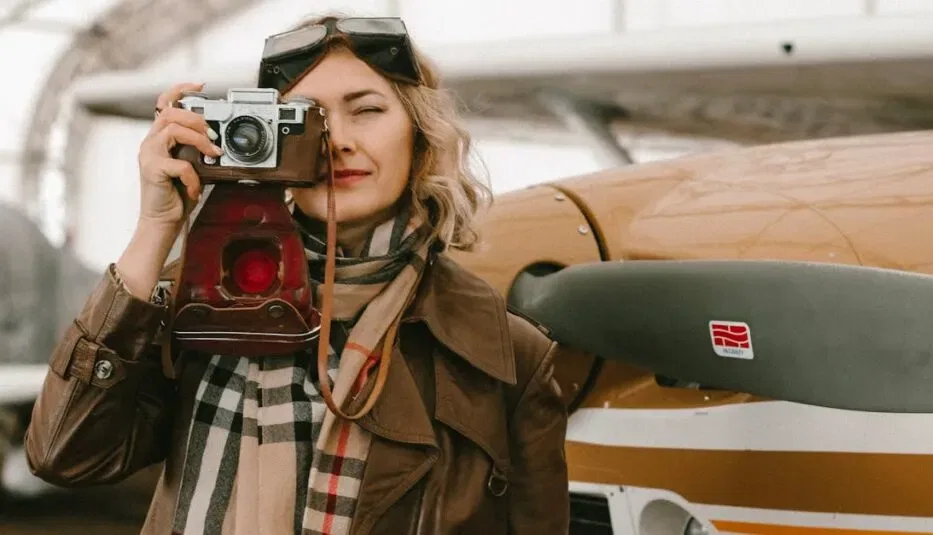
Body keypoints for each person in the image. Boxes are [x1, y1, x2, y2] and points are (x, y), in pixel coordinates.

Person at [24, 12, 569, 535]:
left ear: (420, 136)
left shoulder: (507, 355)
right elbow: (64, 454)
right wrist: (155, 228)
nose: (337, 141)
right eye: (307, 117)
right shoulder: (200, 301)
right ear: (262, 139)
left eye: (367, 110)